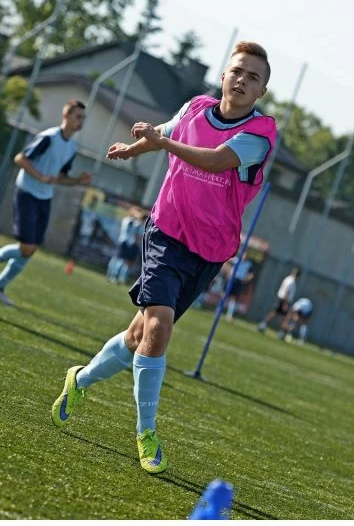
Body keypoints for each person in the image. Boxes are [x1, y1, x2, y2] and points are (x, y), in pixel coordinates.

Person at [50, 41, 276, 474]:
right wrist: (133, 150)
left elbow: (212, 161)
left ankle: (79, 380)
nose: (243, 80)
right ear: (224, 75)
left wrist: (161, 144)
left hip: (210, 250)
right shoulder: (196, 107)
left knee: (139, 337)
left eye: (253, 77)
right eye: (237, 71)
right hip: (167, 231)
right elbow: (168, 131)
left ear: (261, 91)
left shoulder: (261, 133)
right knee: (159, 325)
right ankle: (146, 431)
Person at [0, 99, 92, 306]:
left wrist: (78, 180)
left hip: (45, 197)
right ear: (66, 116)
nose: (81, 121)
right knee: (26, 247)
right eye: (78, 116)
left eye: (83, 118)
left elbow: (60, 177)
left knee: (30, 249)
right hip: (27, 192)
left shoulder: (72, 147)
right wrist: (41, 176)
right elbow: (20, 159)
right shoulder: (49, 138)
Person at [106, 206, 145, 284]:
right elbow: (133, 230)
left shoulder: (136, 223)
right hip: (124, 242)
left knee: (126, 262)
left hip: (130, 244)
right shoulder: (128, 221)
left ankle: (120, 277)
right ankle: (113, 275)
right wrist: (137, 216)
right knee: (118, 260)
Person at [258, 266, 301, 332]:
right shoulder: (291, 281)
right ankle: (281, 331)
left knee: (276, 313)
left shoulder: (289, 279)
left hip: (283, 299)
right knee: (285, 316)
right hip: (284, 300)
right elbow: (287, 291)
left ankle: (264, 324)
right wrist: (285, 303)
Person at [224, 251, 254, 321]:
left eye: (246, 256)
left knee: (234, 298)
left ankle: (229, 315)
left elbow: (251, 274)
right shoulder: (236, 260)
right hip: (232, 279)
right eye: (244, 255)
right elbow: (226, 262)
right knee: (225, 295)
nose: (244, 257)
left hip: (239, 281)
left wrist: (246, 279)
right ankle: (218, 310)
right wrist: (228, 271)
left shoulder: (249, 264)